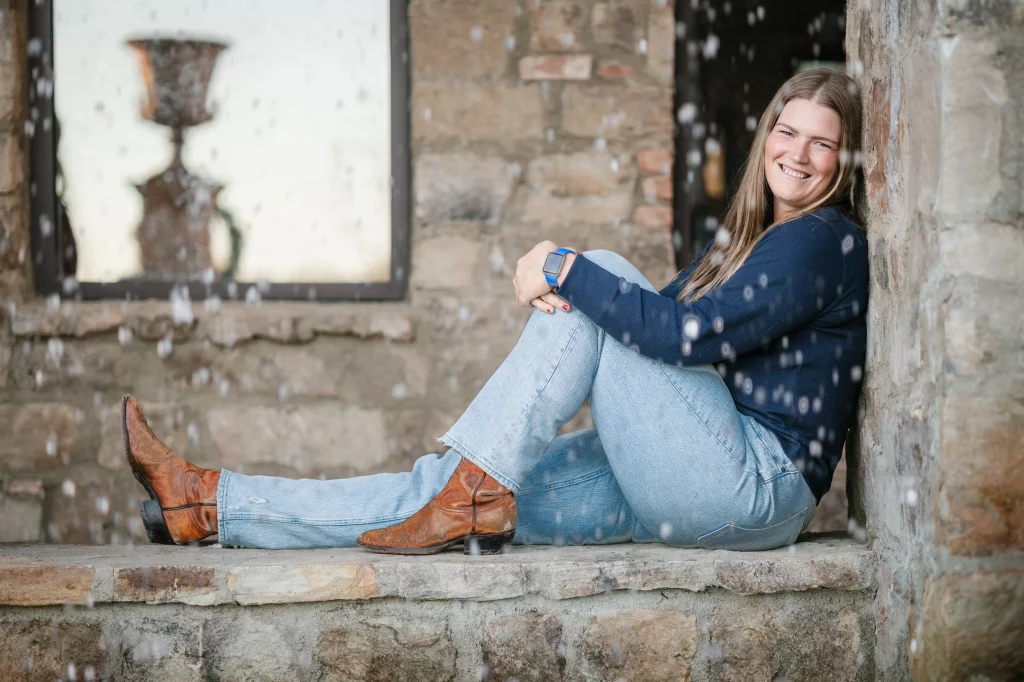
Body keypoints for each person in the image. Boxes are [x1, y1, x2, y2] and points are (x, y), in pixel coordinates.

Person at [122, 68, 867, 555]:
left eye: (822, 144)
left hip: (753, 487)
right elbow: (652, 318)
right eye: (787, 131)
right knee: (442, 488)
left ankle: (474, 487)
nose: (798, 154)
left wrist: (561, 267)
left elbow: (680, 337)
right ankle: (210, 504)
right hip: (694, 470)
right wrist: (575, 285)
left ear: (845, 160)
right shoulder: (754, 240)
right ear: (767, 136)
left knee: (601, 272)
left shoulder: (820, 240)